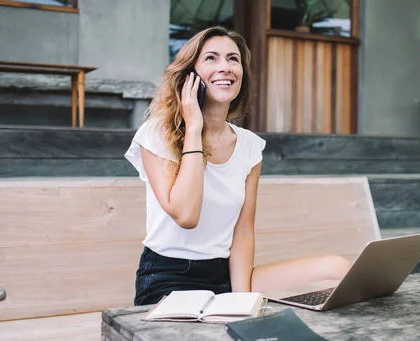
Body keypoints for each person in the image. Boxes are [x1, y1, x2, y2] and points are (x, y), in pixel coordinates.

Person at [125, 26, 351, 306]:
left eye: (233, 59)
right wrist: (194, 127)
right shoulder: (157, 134)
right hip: (168, 276)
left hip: (226, 274)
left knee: (336, 268)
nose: (226, 67)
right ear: (189, 76)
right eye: (211, 58)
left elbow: (243, 232)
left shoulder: (249, 145)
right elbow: (186, 214)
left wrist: (241, 301)